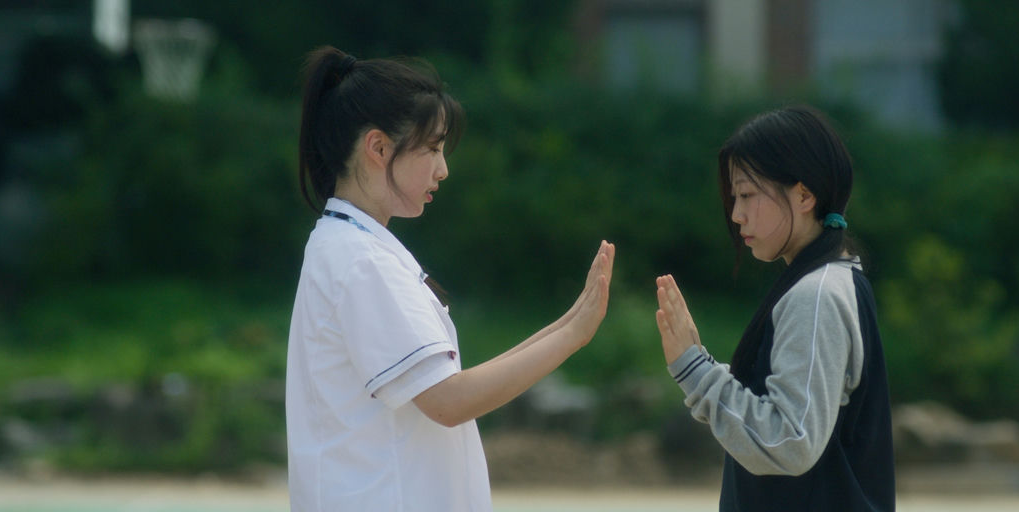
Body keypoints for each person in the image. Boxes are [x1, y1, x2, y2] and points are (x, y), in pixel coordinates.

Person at [287, 46, 615, 511]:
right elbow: (448, 401)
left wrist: (568, 325)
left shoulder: (353, 246)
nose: (443, 169)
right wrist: (573, 336)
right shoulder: (360, 261)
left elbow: (444, 384)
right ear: (378, 148)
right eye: (433, 147)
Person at [654, 105, 894, 511]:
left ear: (804, 195)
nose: (736, 214)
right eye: (735, 198)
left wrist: (695, 373)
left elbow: (790, 440)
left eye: (747, 195)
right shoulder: (834, 280)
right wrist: (701, 369)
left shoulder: (816, 295)